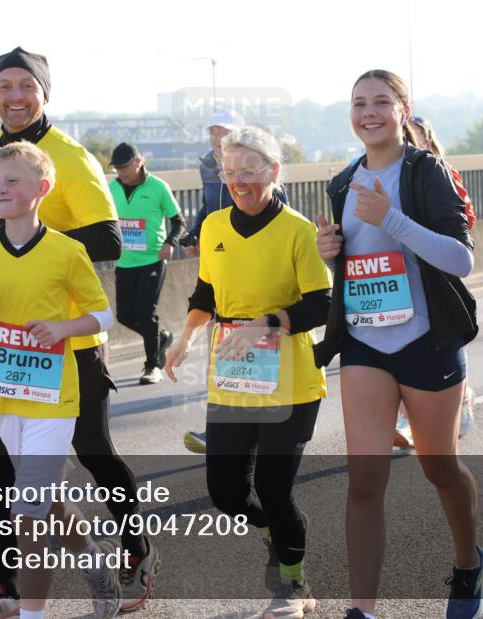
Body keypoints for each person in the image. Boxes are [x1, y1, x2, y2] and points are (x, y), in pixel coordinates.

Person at [0, 47, 156, 615]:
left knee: (94, 452)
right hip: (4, 341)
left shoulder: (70, 157)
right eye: (5, 86)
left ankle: (135, 552)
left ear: (45, 94)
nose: (15, 97)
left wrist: (41, 248)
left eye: (27, 86)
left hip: (68, 340)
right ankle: (6, 583)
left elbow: (111, 239)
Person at [313, 70, 483, 619]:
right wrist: (330, 251)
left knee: (440, 469)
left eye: (381, 102)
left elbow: (460, 259)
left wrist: (390, 218)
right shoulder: (342, 181)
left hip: (426, 339)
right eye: (359, 103)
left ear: (402, 111)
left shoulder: (426, 170)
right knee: (365, 481)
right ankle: (361, 610)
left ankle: (468, 565)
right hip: (365, 343)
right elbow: (360, 261)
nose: (369, 112)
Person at [0, 141, 123, 619]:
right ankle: (95, 562)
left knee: (26, 512)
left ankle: (32, 613)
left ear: (42, 188)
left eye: (12, 181)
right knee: (47, 502)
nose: (0, 189)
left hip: (53, 400)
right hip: (5, 399)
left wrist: (63, 328)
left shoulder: (66, 251)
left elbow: (103, 314)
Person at [166, 126, 331, 619]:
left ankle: (293, 585)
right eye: (229, 171)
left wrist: (265, 324)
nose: (238, 181)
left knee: (275, 489)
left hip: (291, 380)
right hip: (234, 376)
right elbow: (206, 293)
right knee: (226, 493)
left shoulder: (299, 230)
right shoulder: (214, 226)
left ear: (274, 171)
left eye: (249, 171)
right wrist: (185, 337)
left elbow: (320, 305)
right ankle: (276, 532)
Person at [180, 109, 290, 455]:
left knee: (262, 351)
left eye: (222, 130)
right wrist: (195, 234)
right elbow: (208, 207)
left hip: (260, 273)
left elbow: (276, 208)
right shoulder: (207, 165)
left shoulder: (257, 162)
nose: (216, 136)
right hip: (223, 257)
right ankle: (222, 428)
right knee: (222, 346)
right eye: (212, 131)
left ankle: (276, 421)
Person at [393, 115, 476, 449]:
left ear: (427, 140)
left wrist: (428, 237)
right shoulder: (384, 171)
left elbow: (465, 222)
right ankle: (405, 419)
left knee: (445, 339)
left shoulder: (441, 171)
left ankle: (462, 399)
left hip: (438, 271)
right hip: (398, 276)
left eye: (413, 137)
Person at [107, 141, 184, 384]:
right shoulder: (112, 188)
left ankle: (152, 366)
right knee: (124, 316)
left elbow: (178, 221)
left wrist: (170, 242)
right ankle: (161, 338)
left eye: (124, 167)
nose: (120, 172)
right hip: (125, 261)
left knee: (145, 313)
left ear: (139, 162)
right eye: (117, 168)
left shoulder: (158, 187)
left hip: (153, 259)